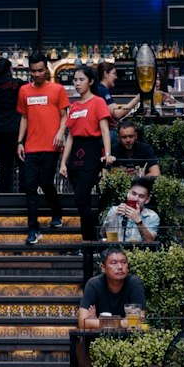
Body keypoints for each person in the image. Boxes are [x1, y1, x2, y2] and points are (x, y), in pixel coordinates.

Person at [17, 51, 69, 245]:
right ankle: (33, 228)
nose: (37, 74)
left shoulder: (57, 90)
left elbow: (65, 115)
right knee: (30, 187)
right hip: (31, 145)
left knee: (46, 181)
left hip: (51, 145)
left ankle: (56, 211)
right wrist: (19, 142)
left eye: (40, 70)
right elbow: (24, 117)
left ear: (46, 69)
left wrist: (59, 134)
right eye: (33, 71)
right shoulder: (24, 91)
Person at [58, 65, 113, 243]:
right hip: (75, 155)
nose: (77, 83)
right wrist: (63, 163)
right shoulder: (73, 107)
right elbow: (71, 138)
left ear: (90, 81)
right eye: (75, 80)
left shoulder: (98, 102)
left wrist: (108, 155)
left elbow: (105, 130)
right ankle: (89, 243)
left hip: (91, 151)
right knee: (83, 202)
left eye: (81, 79)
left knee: (80, 198)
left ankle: (90, 240)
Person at [78, 244, 146, 329]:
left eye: (123, 262)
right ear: (103, 268)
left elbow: (139, 320)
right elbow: (82, 322)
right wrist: (120, 323)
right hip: (99, 338)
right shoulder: (94, 284)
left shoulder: (134, 283)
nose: (120, 267)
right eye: (114, 263)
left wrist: (97, 321)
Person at [0, 56, 22, 191]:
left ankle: (4, 196)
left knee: (4, 166)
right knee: (22, 163)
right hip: (16, 129)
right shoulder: (19, 84)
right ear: (10, 70)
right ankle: (23, 195)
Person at [99, 177, 160, 245]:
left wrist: (138, 221)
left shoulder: (152, 216)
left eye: (141, 196)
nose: (136, 199)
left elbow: (150, 241)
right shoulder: (115, 210)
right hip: (116, 252)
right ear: (128, 194)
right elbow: (102, 234)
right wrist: (114, 217)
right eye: (133, 194)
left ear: (147, 200)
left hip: (139, 252)